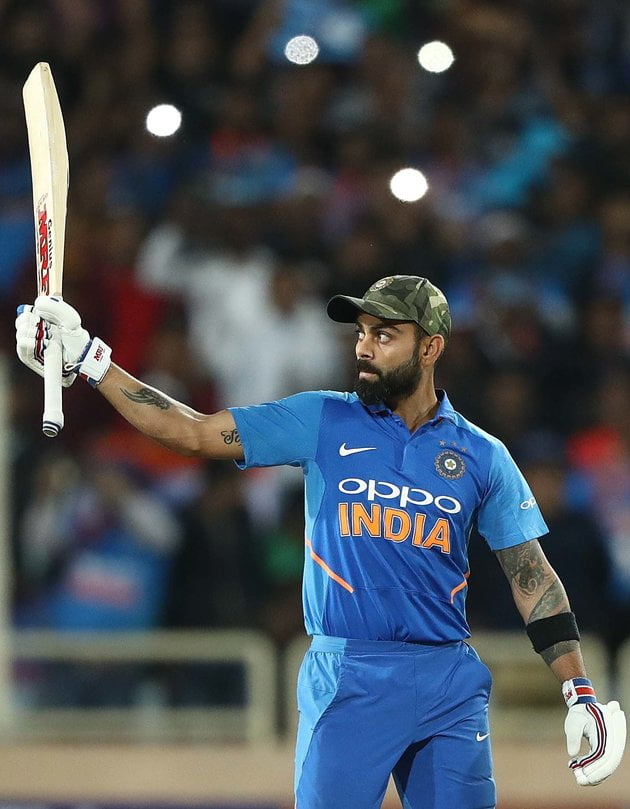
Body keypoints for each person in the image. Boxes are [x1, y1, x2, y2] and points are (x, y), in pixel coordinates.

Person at [15, 274, 626, 809]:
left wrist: (580, 692)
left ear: (431, 347)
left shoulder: (482, 455)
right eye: (361, 333)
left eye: (384, 335)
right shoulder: (323, 419)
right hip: (350, 674)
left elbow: (531, 576)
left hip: (449, 681)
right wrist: (92, 362)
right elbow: (193, 432)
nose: (364, 347)